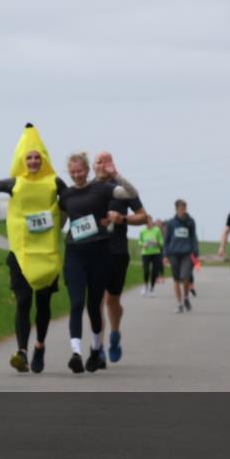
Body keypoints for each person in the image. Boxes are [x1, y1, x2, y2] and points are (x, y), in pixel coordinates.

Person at [0, 124, 65, 374]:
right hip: (20, 255)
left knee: (42, 305)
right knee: (23, 301)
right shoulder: (15, 183)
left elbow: (74, 201)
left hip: (46, 255)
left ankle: (39, 347)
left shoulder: (55, 182)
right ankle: (22, 351)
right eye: (29, 157)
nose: (33, 161)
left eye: (37, 157)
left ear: (44, 159)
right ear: (22, 160)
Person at [60, 153, 139, 373]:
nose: (77, 175)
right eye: (73, 172)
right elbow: (59, 222)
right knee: (76, 303)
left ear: (87, 170)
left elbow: (132, 193)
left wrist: (116, 175)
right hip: (74, 253)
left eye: (80, 171)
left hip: (99, 254)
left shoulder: (102, 189)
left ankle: (95, 349)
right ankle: (76, 352)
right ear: (70, 172)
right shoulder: (66, 195)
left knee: (94, 306)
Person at [94, 151, 148, 366]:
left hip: (117, 251)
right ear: (93, 166)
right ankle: (97, 346)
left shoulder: (122, 189)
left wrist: (122, 218)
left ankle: (114, 336)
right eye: (99, 161)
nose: (102, 165)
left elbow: (144, 216)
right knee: (96, 300)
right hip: (94, 250)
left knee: (112, 299)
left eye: (106, 161)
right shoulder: (89, 188)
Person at [163, 199, 200, 314]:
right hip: (174, 254)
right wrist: (165, 255)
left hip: (187, 254)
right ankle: (179, 304)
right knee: (176, 280)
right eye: (180, 208)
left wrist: (196, 253)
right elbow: (166, 240)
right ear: (176, 209)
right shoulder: (171, 223)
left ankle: (186, 297)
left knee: (185, 277)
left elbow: (193, 238)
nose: (183, 211)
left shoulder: (190, 222)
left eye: (184, 208)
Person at [139, 218, 164, 296]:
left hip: (155, 253)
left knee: (154, 271)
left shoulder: (157, 230)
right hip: (145, 253)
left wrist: (157, 242)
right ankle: (145, 286)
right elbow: (139, 241)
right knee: (146, 270)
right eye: (146, 222)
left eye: (149, 222)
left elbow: (161, 242)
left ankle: (152, 289)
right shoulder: (142, 231)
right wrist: (144, 245)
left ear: (151, 222)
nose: (148, 224)